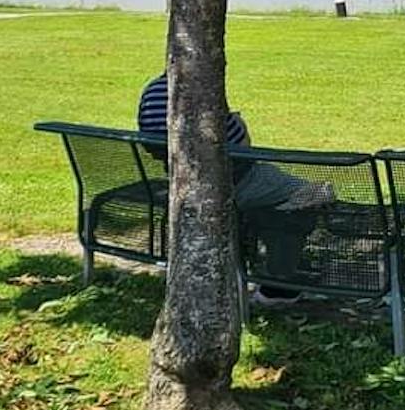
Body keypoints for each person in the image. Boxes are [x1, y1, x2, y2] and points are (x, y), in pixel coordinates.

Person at [137, 70, 331, 298]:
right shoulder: (203, 92)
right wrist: (238, 121)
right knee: (316, 194)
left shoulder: (151, 94)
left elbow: (152, 147)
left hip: (180, 185)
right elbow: (242, 147)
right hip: (233, 182)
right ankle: (279, 282)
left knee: (273, 202)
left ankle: (252, 251)